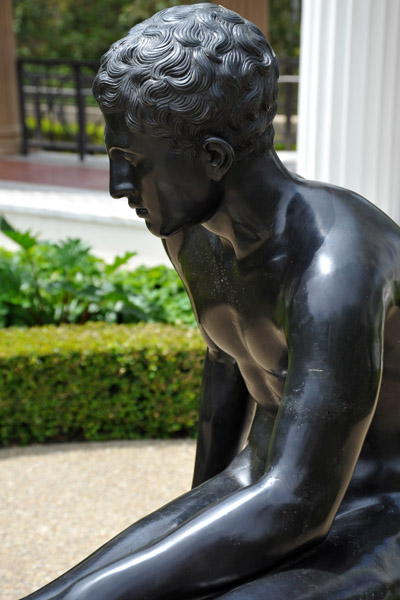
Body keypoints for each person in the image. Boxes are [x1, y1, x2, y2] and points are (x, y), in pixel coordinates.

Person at [22, 4, 400, 599]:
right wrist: (195, 509)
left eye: (134, 165)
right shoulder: (192, 234)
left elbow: (299, 506)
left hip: (380, 506)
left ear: (215, 159)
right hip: (267, 484)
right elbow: (229, 365)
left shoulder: (337, 267)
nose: (118, 188)